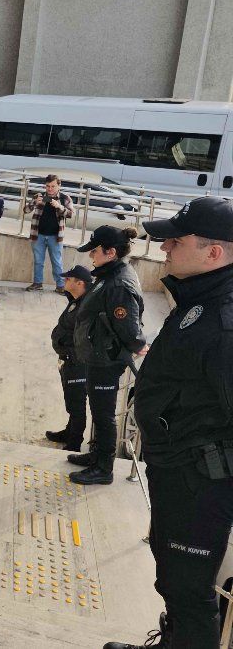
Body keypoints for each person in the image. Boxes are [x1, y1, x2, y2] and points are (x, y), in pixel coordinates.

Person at [103, 198, 233, 649]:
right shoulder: (203, 296)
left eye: (176, 241)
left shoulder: (225, 320)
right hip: (178, 469)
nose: (165, 248)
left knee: (189, 588)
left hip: (201, 481)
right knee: (173, 576)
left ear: (213, 252)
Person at [68, 225, 147, 486]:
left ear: (110, 252)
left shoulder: (118, 283)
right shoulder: (110, 273)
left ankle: (104, 468)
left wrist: (137, 344)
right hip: (98, 354)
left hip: (107, 359)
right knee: (98, 410)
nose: (91, 255)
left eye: (95, 251)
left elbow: (130, 327)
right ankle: (96, 455)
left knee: (104, 414)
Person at [45, 265, 93, 452]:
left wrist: (73, 353)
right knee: (71, 400)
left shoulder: (87, 305)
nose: (64, 281)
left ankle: (74, 443)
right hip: (68, 359)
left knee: (77, 404)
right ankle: (69, 432)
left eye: (68, 279)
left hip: (78, 361)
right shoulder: (76, 299)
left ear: (80, 283)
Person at [24, 174, 74, 293]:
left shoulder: (65, 198)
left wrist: (59, 206)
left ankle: (60, 286)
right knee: (38, 261)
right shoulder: (39, 196)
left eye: (53, 186)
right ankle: (37, 283)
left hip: (56, 236)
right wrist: (34, 203)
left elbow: (71, 214)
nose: (50, 189)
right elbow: (25, 210)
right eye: (48, 186)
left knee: (57, 261)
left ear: (59, 185)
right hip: (38, 234)